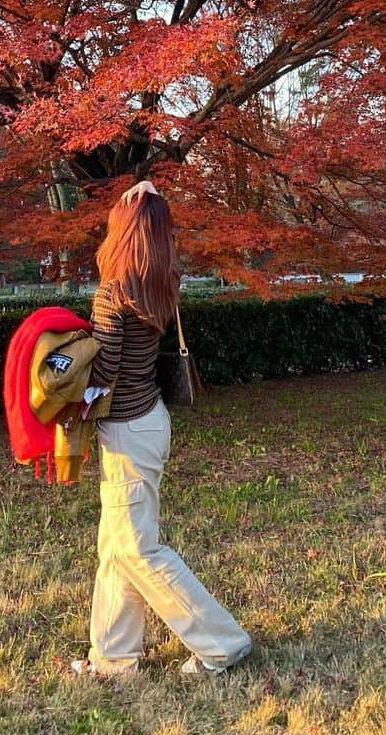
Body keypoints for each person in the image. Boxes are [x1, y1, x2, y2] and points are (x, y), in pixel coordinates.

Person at [71, 181, 252, 677]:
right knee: (116, 546)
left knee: (137, 549)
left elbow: (103, 370)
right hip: (150, 420)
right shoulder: (161, 281)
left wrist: (67, 393)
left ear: (120, 232)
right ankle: (112, 659)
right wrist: (147, 193)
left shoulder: (113, 292)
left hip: (128, 431)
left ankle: (223, 644)